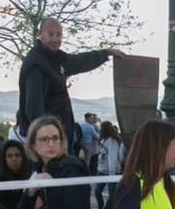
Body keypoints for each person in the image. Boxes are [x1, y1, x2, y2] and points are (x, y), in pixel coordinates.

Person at [18, 17, 126, 145]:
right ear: (39, 33)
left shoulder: (56, 58)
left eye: (59, 35)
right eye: (51, 34)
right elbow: (34, 107)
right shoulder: (36, 64)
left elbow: (79, 61)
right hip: (49, 139)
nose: (55, 39)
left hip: (62, 133)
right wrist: (47, 139)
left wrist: (106, 53)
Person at [94, 121, 124, 209]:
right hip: (102, 171)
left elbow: (113, 158)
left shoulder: (112, 141)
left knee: (112, 196)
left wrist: (112, 174)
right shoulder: (104, 139)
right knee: (97, 192)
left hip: (111, 172)